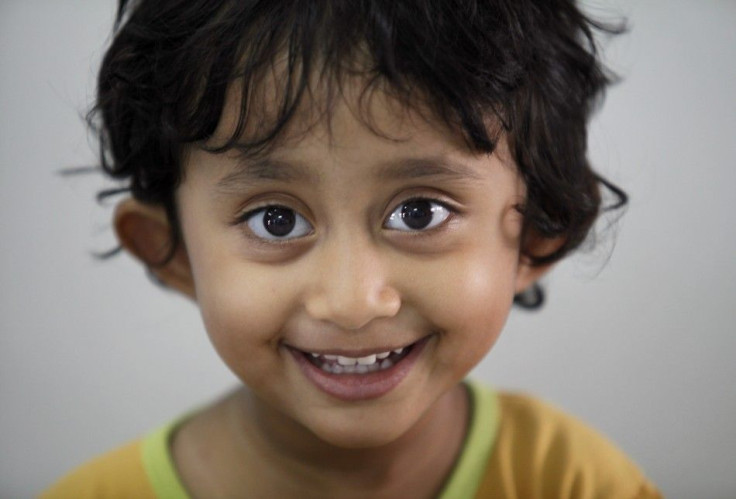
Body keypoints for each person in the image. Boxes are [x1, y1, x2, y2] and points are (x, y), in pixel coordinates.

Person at [43, 0, 661, 497]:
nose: (352, 302)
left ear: (536, 234)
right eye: (276, 220)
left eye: (420, 212)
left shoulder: (576, 483)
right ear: (172, 253)